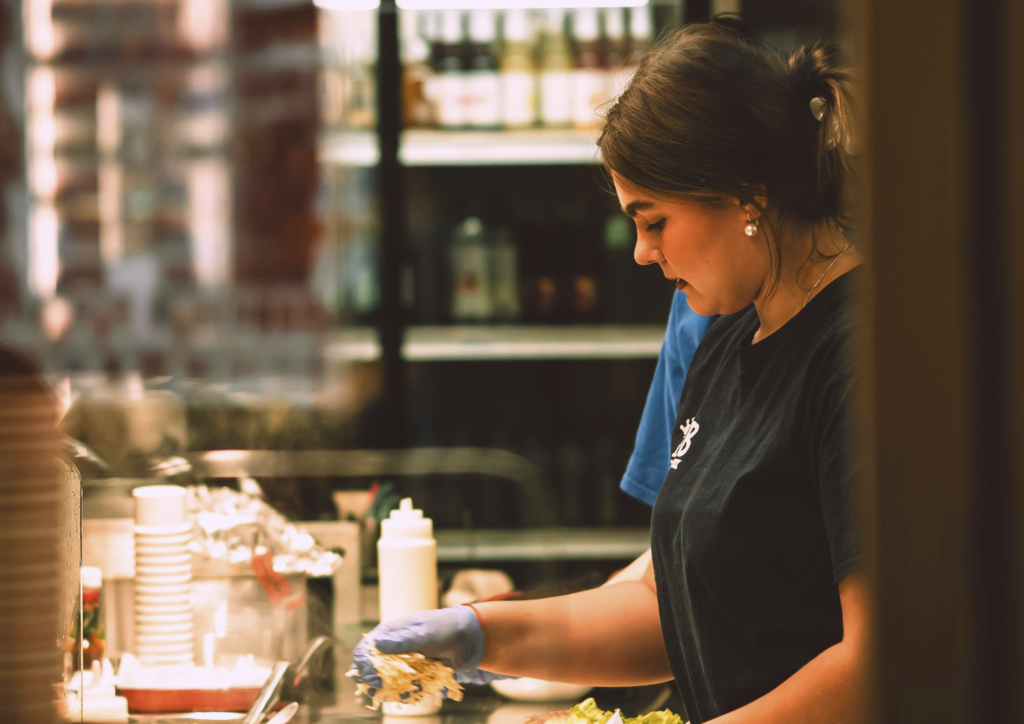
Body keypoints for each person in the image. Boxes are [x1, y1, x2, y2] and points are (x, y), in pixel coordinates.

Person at [352, 19, 867, 724]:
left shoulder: (858, 360)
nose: (640, 253)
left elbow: (880, 659)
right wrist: (480, 633)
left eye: (653, 221)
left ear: (747, 196)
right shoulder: (727, 340)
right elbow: (668, 606)